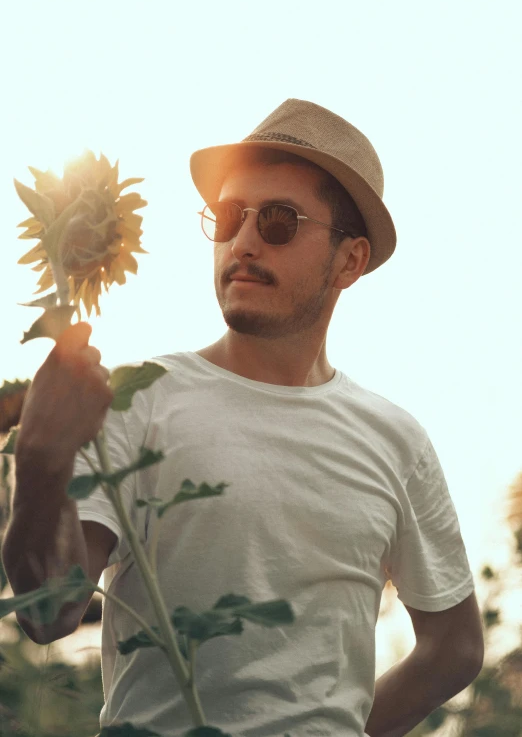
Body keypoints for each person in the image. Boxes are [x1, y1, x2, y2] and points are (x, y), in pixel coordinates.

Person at [2, 99, 484, 737]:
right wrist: (38, 461)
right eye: (229, 217)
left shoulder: (395, 440)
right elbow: (48, 614)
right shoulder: (133, 401)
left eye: (280, 221)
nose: (245, 240)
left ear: (350, 260)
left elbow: (455, 647)